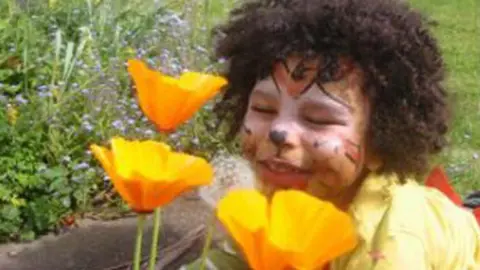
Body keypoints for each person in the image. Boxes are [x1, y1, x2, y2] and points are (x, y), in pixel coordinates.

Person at [184, 0, 480, 269]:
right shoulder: (268, 195)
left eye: (318, 119)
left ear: (379, 143)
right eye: (263, 109)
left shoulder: (393, 241)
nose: (278, 131)